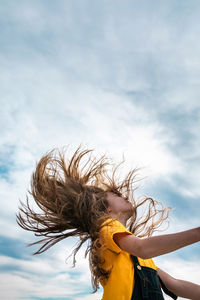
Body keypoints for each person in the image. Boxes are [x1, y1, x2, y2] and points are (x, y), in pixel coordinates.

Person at [16, 145, 200, 300]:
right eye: (117, 196)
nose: (125, 196)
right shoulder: (106, 229)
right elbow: (142, 247)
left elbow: (175, 285)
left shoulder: (142, 258)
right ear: (106, 209)